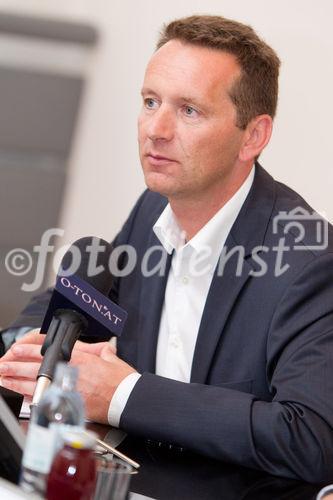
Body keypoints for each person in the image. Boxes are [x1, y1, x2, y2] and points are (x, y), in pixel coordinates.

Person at [1, 15, 333, 483]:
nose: (155, 129)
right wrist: (22, 348)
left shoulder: (311, 262)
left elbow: (310, 439)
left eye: (189, 110)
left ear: (253, 136)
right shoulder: (154, 206)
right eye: (150, 101)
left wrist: (123, 395)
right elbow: (92, 297)